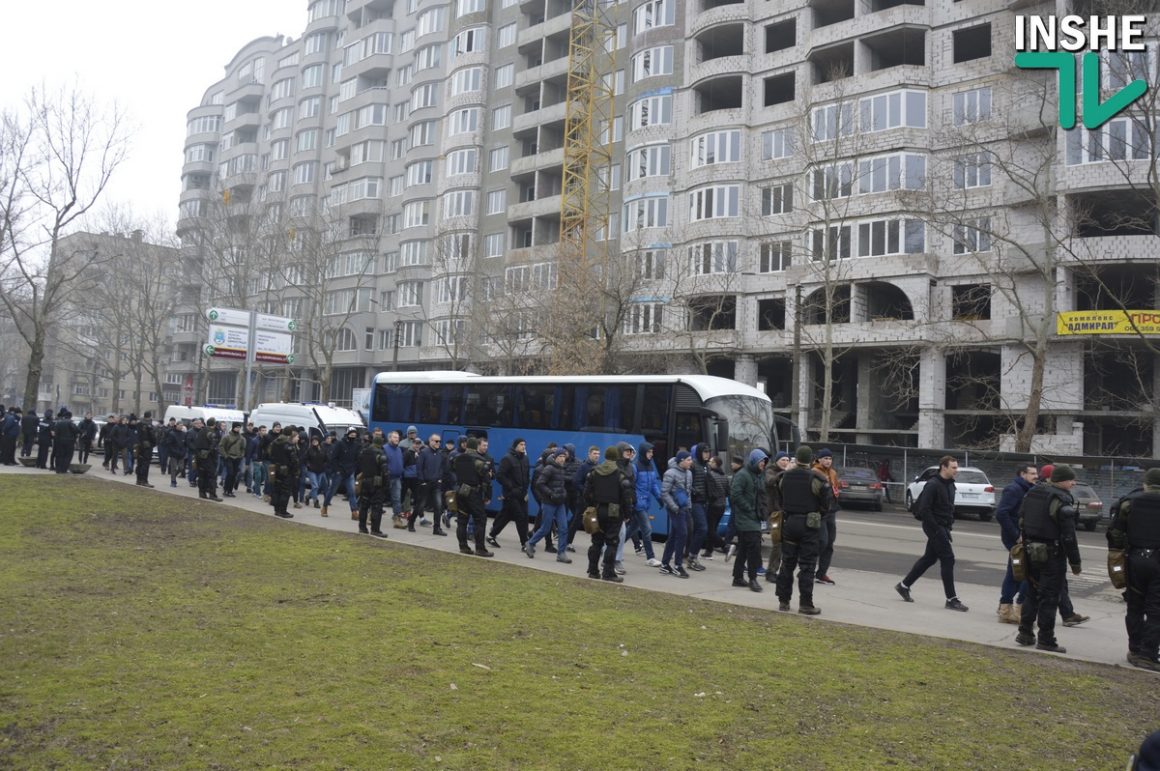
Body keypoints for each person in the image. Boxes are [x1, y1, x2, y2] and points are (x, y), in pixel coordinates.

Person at [1015, 464, 1081, 653]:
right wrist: (1075, 562)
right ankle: (1046, 640)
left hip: (1030, 551)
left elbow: (1021, 520)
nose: (1073, 483)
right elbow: (1069, 536)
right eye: (1071, 480)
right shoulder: (1060, 500)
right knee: (1049, 597)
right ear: (1061, 481)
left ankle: (1025, 632)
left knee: (1032, 593)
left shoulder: (1033, 493)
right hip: (1052, 555)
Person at [896, 455, 968, 612]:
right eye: (953, 467)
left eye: (956, 467)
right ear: (944, 467)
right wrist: (936, 529)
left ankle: (904, 585)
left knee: (929, 558)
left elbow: (949, 508)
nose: (956, 470)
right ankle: (951, 599)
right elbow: (924, 509)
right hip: (934, 527)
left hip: (944, 527)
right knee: (948, 559)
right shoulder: (933, 484)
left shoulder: (950, 485)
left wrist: (948, 526)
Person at [1106, 467, 1160, 671]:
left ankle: (1135, 649)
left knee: (1134, 606)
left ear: (1146, 483)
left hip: (1135, 559)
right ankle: (1148, 653)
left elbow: (1115, 533)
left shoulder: (1129, 502)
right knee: (1156, 610)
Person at [776, 446, 832, 614]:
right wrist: (818, 514)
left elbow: (780, 497)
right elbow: (826, 503)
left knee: (787, 563)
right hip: (809, 526)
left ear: (797, 458)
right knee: (807, 566)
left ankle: (783, 601)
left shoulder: (785, 477)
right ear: (811, 459)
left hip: (790, 522)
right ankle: (805, 604)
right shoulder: (816, 478)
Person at [584, 446, 634, 582]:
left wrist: (592, 506)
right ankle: (608, 572)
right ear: (617, 457)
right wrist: (628, 513)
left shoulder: (594, 472)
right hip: (614, 512)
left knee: (596, 542)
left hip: (597, 511)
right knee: (612, 543)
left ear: (605, 456)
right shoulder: (620, 474)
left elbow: (586, 493)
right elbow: (627, 497)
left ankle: (593, 570)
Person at [996, 464, 1038, 624]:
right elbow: (1001, 513)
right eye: (1032, 473)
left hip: (1024, 538)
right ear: (1022, 474)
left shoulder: (1028, 489)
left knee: (1020, 573)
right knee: (1016, 573)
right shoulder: (1013, 489)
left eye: (1037, 473)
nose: (1036, 476)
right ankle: (1006, 609)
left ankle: (1006, 606)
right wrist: (1016, 535)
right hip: (1015, 540)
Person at [731, 448, 769, 592]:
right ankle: (753, 578)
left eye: (764, 462)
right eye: (761, 461)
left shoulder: (758, 475)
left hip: (754, 517)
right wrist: (748, 508)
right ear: (754, 461)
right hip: (745, 518)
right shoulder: (743, 475)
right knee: (754, 549)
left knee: (744, 549)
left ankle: (737, 577)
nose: (763, 464)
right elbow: (735, 494)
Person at [525, 448, 572, 562]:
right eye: (560, 457)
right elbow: (539, 484)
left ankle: (561, 554)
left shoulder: (561, 469)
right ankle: (530, 543)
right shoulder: (549, 468)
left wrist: (563, 493)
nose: (562, 459)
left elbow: (561, 485)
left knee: (564, 528)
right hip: (549, 503)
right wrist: (551, 494)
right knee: (545, 528)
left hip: (560, 503)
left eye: (563, 457)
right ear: (555, 457)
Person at [453, 437, 493, 557]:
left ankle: (463, 546)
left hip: (460, 491)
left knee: (462, 520)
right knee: (480, 519)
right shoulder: (479, 460)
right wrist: (487, 495)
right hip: (473, 493)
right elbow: (486, 479)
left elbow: (452, 469)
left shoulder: (457, 458)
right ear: (476, 446)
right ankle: (480, 549)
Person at [489, 438, 530, 548]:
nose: (524, 446)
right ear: (516, 446)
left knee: (507, 516)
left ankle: (491, 535)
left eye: (524, 444)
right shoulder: (507, 458)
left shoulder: (525, 459)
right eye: (521, 444)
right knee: (520, 517)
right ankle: (525, 544)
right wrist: (510, 487)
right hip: (511, 494)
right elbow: (500, 476)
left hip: (522, 494)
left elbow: (527, 476)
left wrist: (526, 490)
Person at [660, 450, 694, 578]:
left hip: (684, 508)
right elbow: (664, 493)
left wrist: (688, 506)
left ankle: (664, 564)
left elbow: (688, 492)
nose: (691, 462)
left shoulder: (689, 473)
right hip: (675, 509)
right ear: (681, 461)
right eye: (688, 460)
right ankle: (678, 565)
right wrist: (674, 507)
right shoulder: (670, 473)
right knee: (682, 534)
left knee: (674, 535)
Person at [629, 442, 664, 567]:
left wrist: (660, 497)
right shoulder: (635, 467)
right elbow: (632, 487)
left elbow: (654, 485)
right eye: (649, 452)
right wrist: (635, 501)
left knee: (630, 530)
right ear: (644, 452)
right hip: (638, 504)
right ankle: (650, 557)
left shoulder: (650, 466)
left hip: (645, 502)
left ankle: (611, 547)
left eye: (652, 452)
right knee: (647, 529)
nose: (651, 454)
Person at [812, 448, 840, 585]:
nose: (828, 461)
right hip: (820, 512)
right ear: (819, 459)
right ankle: (808, 568)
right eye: (825, 458)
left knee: (830, 543)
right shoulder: (815, 472)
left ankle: (821, 573)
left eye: (830, 458)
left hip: (831, 511)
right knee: (822, 541)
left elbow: (834, 490)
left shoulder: (833, 473)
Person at [762, 451, 792, 581]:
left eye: (787, 460)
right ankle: (771, 571)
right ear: (777, 461)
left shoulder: (789, 473)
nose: (785, 462)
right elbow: (770, 481)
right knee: (777, 543)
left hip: (786, 512)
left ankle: (779, 570)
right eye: (783, 460)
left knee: (785, 543)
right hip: (774, 513)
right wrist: (784, 472)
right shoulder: (771, 470)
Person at [324, 428, 361, 520]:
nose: (353, 436)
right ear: (347, 434)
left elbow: (357, 459)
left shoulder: (356, 445)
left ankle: (354, 511)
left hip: (350, 472)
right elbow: (333, 458)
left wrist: (353, 469)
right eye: (351, 434)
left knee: (352, 492)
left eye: (355, 435)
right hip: (339, 472)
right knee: (332, 490)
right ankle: (324, 507)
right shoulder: (340, 444)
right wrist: (337, 470)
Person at [415, 432, 448, 536]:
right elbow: (419, 468)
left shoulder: (440, 453)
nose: (438, 443)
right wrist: (422, 481)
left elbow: (442, 467)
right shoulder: (424, 452)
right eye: (436, 441)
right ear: (430, 441)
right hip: (426, 483)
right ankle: (411, 521)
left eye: (439, 441)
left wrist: (440, 478)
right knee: (421, 505)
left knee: (438, 506)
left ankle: (436, 528)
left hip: (436, 484)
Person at [356, 434, 389, 536]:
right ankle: (375, 530)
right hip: (376, 483)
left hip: (364, 480)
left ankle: (362, 527)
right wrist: (386, 484)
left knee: (364, 506)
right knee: (376, 507)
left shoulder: (364, 452)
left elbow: (359, 466)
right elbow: (385, 471)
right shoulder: (380, 454)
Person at [687, 444, 712, 571]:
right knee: (702, 529)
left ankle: (690, 556)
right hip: (695, 501)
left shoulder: (706, 466)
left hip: (704, 502)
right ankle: (691, 558)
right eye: (705, 452)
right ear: (699, 453)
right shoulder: (693, 465)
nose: (707, 454)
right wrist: (694, 491)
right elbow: (687, 483)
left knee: (697, 531)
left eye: (708, 452)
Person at [267, 426, 297, 518]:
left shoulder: (275, 442)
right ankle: (283, 511)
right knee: (285, 491)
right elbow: (293, 460)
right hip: (286, 470)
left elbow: (269, 452)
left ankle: (277, 509)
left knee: (277, 489)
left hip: (276, 468)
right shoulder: (288, 444)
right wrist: (295, 470)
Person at [702, 455, 729, 561]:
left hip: (713, 506)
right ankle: (708, 551)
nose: (709, 462)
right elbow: (728, 491)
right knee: (713, 529)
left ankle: (725, 546)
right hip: (722, 506)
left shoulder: (710, 475)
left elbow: (709, 492)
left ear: (715, 464)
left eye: (711, 461)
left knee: (710, 530)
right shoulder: (724, 476)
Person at [193, 417, 223, 501]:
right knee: (212, 476)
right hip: (208, 456)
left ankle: (202, 493)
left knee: (203, 476)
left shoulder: (202, 431)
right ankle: (212, 494)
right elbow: (214, 444)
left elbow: (197, 445)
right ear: (214, 424)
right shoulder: (210, 432)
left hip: (202, 456)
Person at [219, 422, 246, 496]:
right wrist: (225, 455)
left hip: (237, 458)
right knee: (230, 473)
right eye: (236, 427)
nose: (238, 429)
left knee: (234, 475)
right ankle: (226, 489)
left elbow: (243, 448)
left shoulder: (241, 438)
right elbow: (221, 446)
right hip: (229, 457)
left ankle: (230, 490)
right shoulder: (227, 436)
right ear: (233, 427)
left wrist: (241, 455)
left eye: (239, 427)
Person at [165, 421, 188, 488]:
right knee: (173, 468)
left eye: (182, 425)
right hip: (174, 453)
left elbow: (185, 444)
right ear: (176, 425)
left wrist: (184, 451)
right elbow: (169, 444)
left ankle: (174, 476)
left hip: (181, 454)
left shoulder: (184, 434)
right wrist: (173, 451)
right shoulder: (172, 433)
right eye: (180, 425)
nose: (181, 427)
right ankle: (173, 481)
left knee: (181, 467)